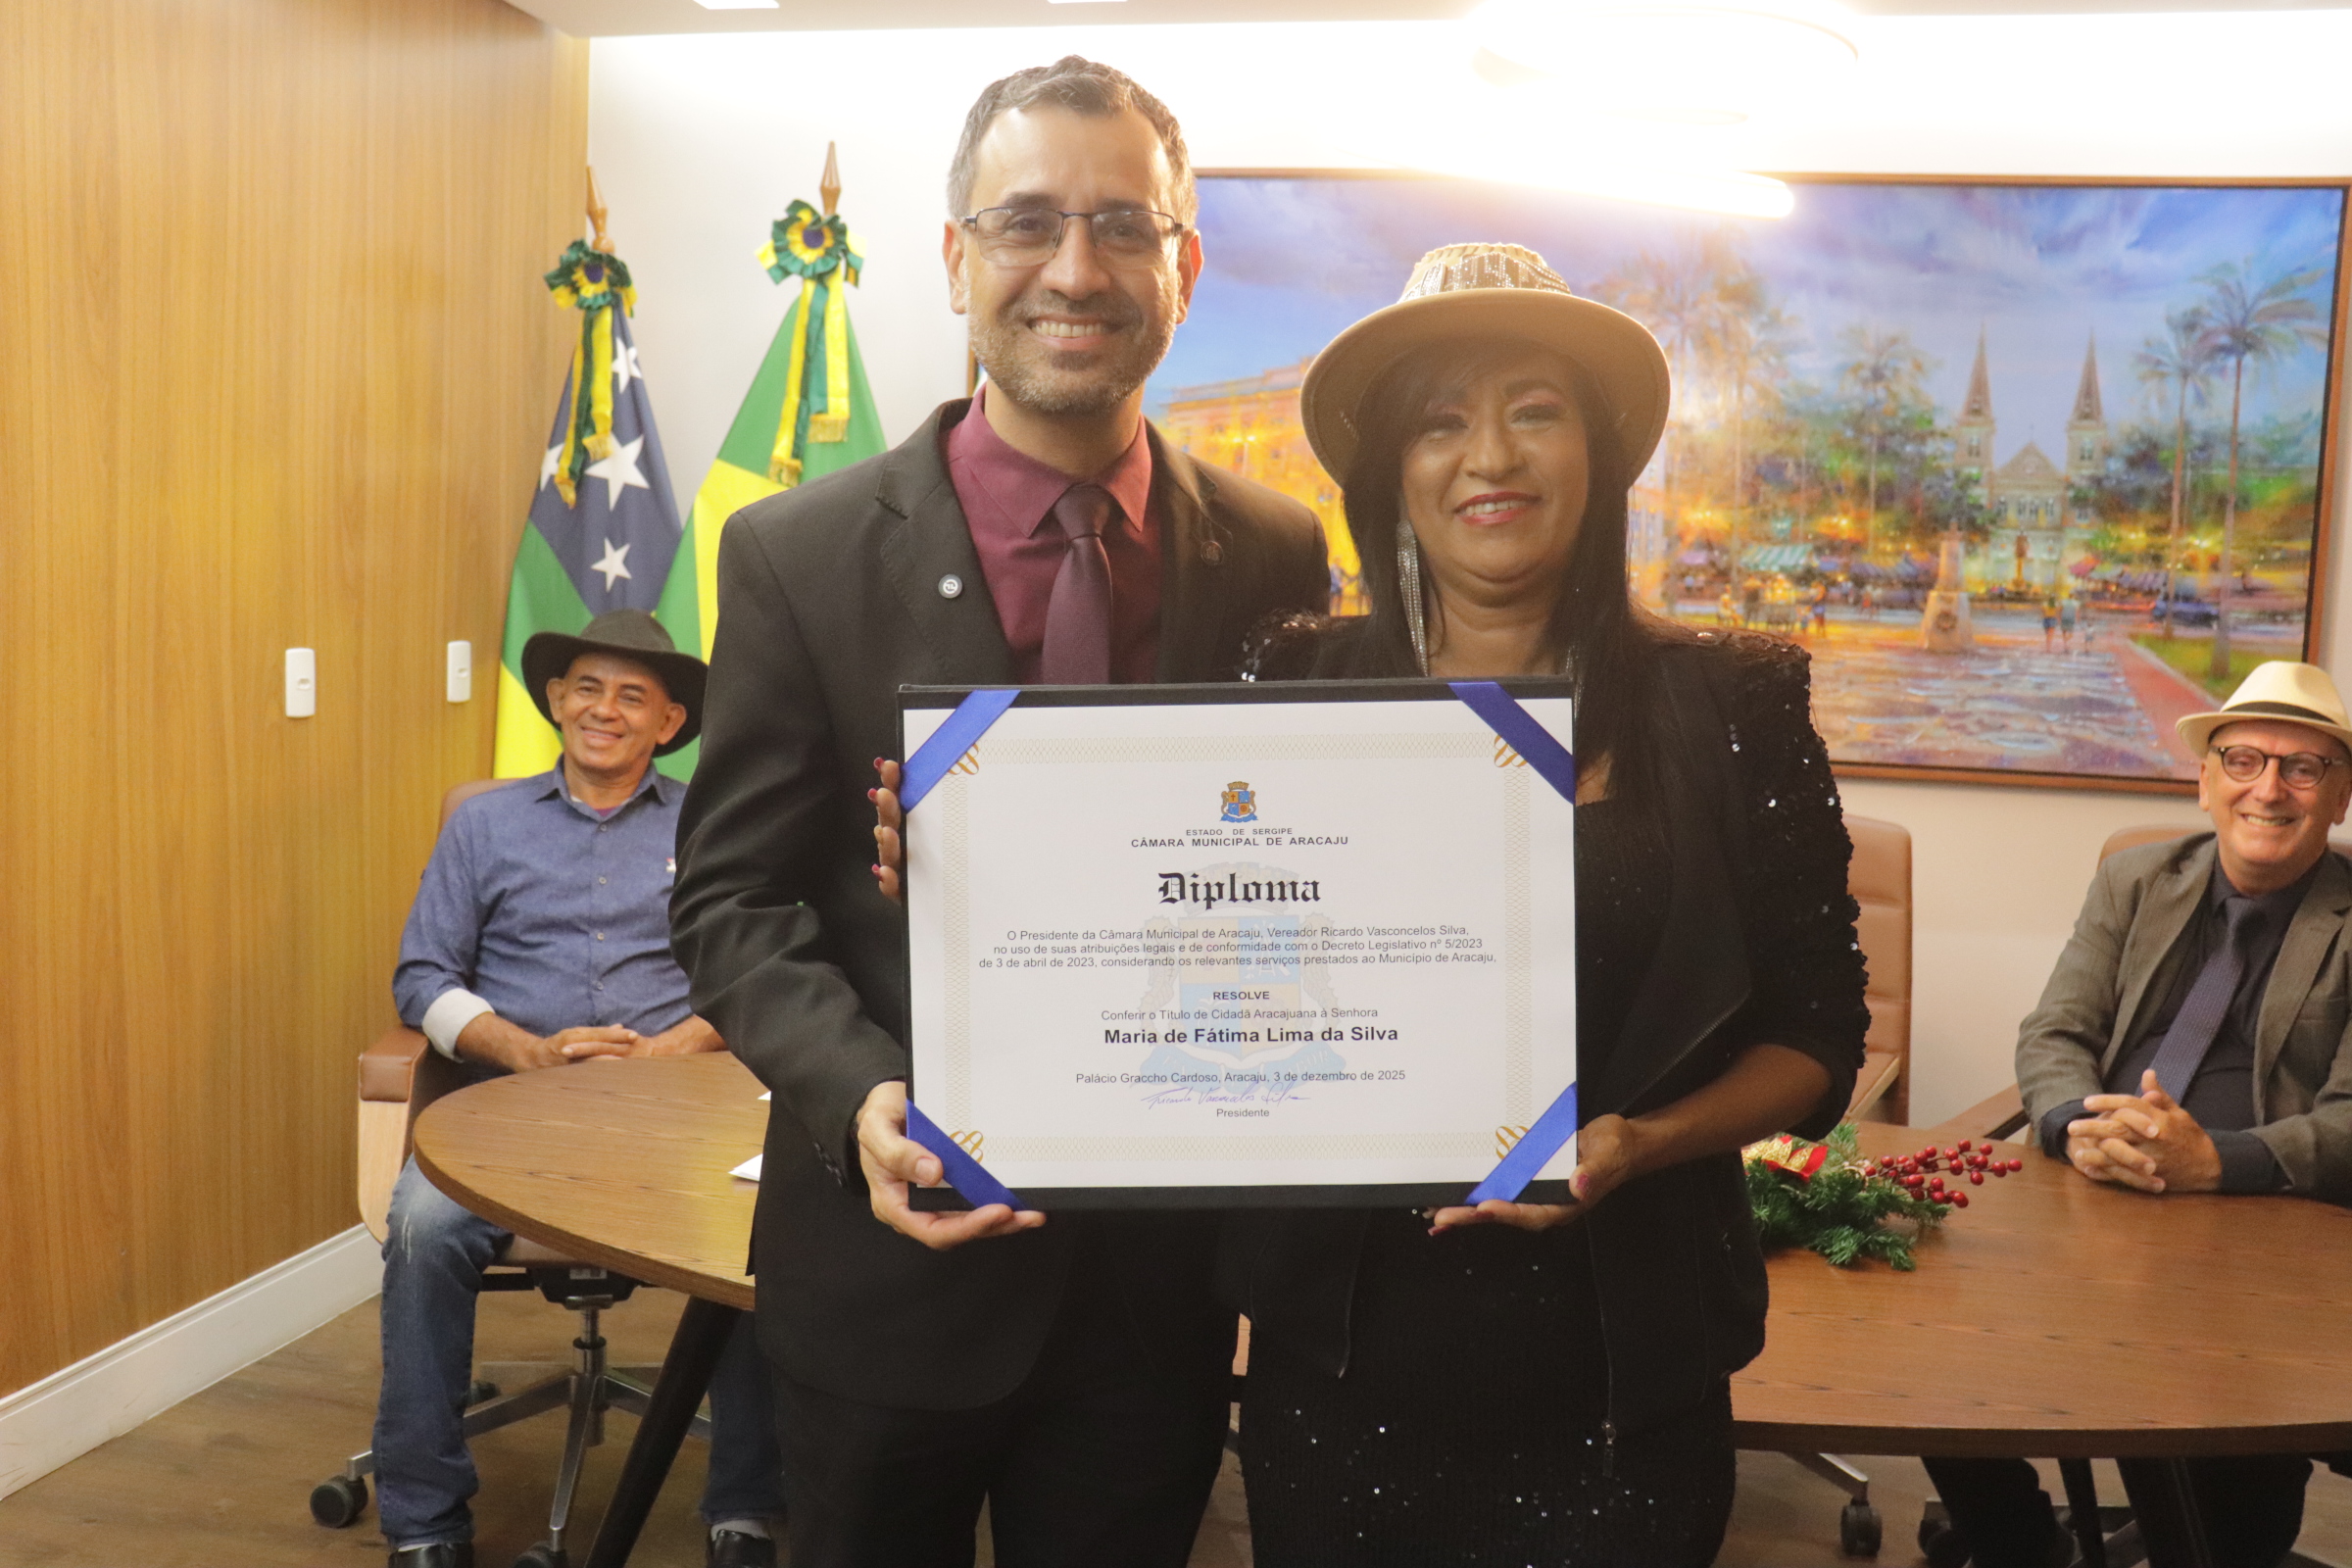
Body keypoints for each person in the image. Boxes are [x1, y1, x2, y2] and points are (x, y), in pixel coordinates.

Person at [667, 57, 1328, 1568]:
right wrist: (857, 1093)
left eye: (1124, 226)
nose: (1076, 271)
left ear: (1184, 266)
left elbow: (1295, 862)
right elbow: (728, 901)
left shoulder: (1275, 553)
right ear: (958, 258)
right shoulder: (794, 554)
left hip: (1159, 1300)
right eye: (1027, 222)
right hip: (887, 1276)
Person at [1213, 243, 1868, 1565]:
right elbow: (1199, 930)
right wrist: (956, 855)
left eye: (1534, 409)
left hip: (1624, 1372)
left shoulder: (1733, 701)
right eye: (1441, 421)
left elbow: (1818, 1037)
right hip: (1344, 1368)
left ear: (1598, 453)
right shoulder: (1291, 681)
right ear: (1392, 471)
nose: (1490, 456)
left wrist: (1636, 1140)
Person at [1922, 659, 2352, 1568]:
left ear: (2341, 797)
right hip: (2093, 1200)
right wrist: (2073, 1124)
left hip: (2267, 1235)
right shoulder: (2136, 878)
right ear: (2205, 780)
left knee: (2226, 1443)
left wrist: (2217, 1159)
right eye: (2243, 760)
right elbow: (2055, 1032)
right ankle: (2020, 1543)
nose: (2268, 788)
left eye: (2303, 768)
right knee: (1924, 1337)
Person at [381, 610, 782, 1568]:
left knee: (766, 1230)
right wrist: (523, 1051)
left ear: (670, 723)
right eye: (588, 688)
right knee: (423, 1226)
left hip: (680, 1117)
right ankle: (425, 1519)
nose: (605, 710)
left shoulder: (713, 823)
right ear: (557, 700)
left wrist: (672, 1049)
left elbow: (757, 967)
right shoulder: (484, 825)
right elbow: (422, 977)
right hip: (504, 1119)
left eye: (633, 696)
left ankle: (744, 1512)